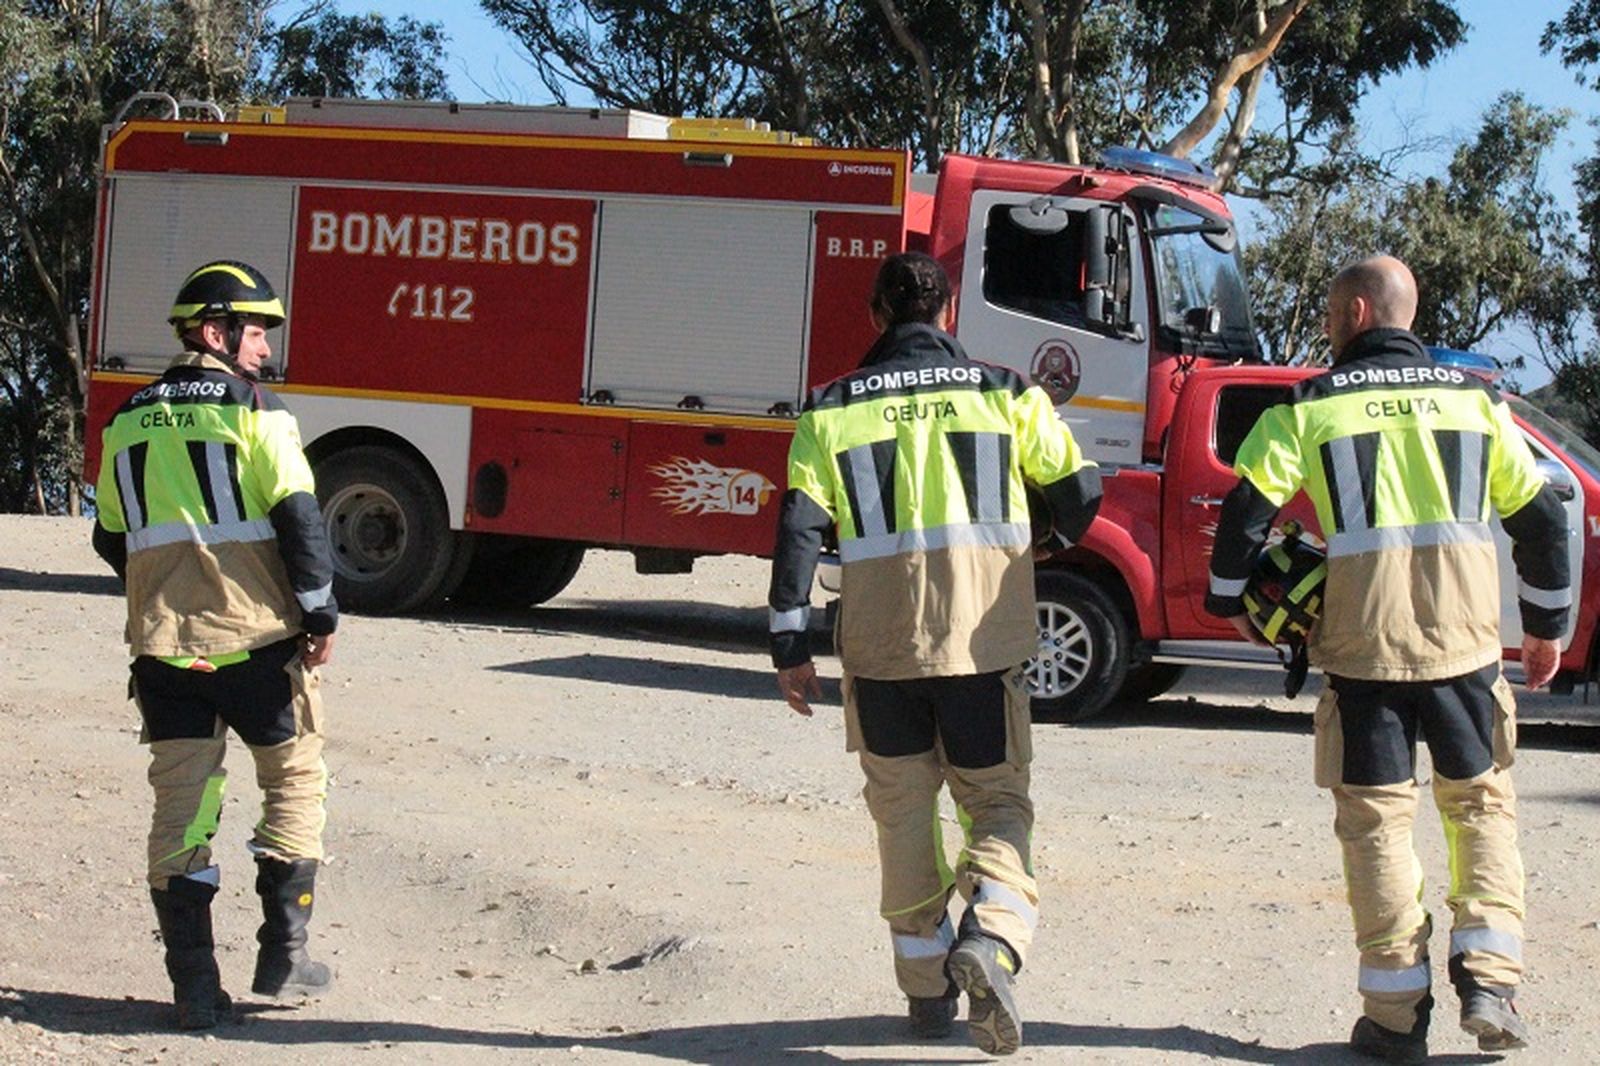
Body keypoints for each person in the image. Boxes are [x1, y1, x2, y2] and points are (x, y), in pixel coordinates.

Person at [1205, 256, 1570, 1063]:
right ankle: (1490, 977)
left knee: (1374, 824)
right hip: (1466, 648)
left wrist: (1231, 605)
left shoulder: (1310, 409)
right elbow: (1542, 521)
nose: (1329, 329)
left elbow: (1243, 514)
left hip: (1364, 651)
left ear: (1360, 312)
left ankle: (1397, 1016)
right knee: (1479, 809)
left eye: (1334, 316)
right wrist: (1546, 628)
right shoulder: (1479, 407)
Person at [768, 252, 1102, 1055]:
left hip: (881, 657)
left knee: (903, 821)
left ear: (878, 316)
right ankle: (989, 937)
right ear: (948, 311)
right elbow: (1080, 493)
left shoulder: (830, 409)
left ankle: (926, 996)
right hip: (983, 652)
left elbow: (799, 530)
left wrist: (789, 642)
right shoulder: (1007, 394)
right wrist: (1041, 538)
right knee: (996, 806)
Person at [92, 260, 340, 1029]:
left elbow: (110, 536)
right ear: (216, 332)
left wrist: (171, 593)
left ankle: (195, 991)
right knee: (295, 780)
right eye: (256, 329)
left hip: (165, 654)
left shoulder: (126, 418)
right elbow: (300, 519)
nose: (263, 346)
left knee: (184, 811)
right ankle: (283, 955)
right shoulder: (258, 412)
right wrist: (320, 615)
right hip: (258, 647)